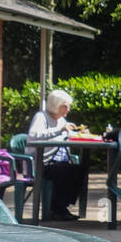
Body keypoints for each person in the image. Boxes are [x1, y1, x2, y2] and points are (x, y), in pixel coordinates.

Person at [26, 89, 85, 222]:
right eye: (65, 106)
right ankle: (56, 209)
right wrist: (59, 130)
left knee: (79, 169)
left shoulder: (61, 120)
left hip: (58, 162)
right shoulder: (41, 117)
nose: (68, 109)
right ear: (56, 105)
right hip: (42, 163)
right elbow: (34, 135)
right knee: (64, 171)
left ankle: (62, 207)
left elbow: (67, 136)